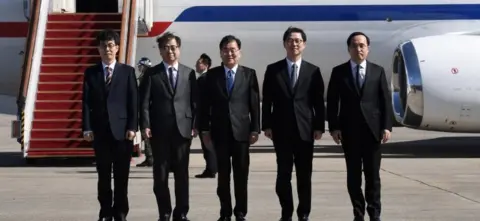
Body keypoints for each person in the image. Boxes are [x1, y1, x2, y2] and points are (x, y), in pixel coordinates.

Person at [326, 32, 393, 221]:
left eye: (362, 45)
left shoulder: (377, 71)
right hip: (349, 132)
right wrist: (334, 127)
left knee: (373, 176)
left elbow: (385, 101)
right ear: (349, 49)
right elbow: (332, 102)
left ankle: (375, 213)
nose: (359, 49)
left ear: (368, 48)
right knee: (353, 176)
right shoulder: (339, 72)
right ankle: (358, 212)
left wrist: (386, 126)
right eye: (355, 46)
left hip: (373, 132)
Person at [261, 27, 325, 221]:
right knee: (283, 177)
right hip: (281, 131)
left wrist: (319, 126)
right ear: (284, 44)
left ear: (304, 44)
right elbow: (267, 101)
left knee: (304, 177)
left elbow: (318, 102)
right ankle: (286, 212)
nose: (294, 43)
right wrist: (267, 125)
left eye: (298, 40)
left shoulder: (313, 71)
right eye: (290, 40)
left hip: (305, 132)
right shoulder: (273, 70)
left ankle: (304, 213)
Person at [199, 35, 260, 221]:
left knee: (241, 175)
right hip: (220, 132)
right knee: (223, 176)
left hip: (242, 133)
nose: (229, 53)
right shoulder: (212, 75)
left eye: (233, 49)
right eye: (225, 49)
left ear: (239, 53)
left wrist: (255, 129)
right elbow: (204, 106)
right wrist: (205, 130)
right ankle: (225, 212)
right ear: (220, 52)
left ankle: (240, 212)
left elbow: (254, 104)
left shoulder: (249, 74)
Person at [139, 32, 198, 221]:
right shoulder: (151, 74)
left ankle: (181, 213)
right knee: (161, 176)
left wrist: (195, 124)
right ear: (160, 50)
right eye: (166, 47)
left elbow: (194, 102)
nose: (170, 51)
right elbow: (144, 102)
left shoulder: (189, 73)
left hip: (183, 130)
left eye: (173, 47)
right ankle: (164, 212)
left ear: (179, 49)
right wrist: (145, 125)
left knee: (182, 175)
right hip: (159, 131)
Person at [82, 29, 138, 221]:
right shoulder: (91, 73)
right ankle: (105, 212)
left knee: (122, 177)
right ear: (98, 49)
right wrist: (87, 128)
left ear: (117, 48)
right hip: (100, 132)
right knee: (103, 177)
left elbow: (133, 102)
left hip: (123, 133)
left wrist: (132, 127)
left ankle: (121, 213)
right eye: (104, 45)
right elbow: (86, 102)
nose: (108, 49)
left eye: (111, 45)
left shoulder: (128, 72)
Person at [194, 53, 217, 179]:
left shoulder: (203, 80)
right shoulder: (210, 78)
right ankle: (212, 167)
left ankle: (211, 169)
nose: (197, 65)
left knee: (207, 145)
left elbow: (201, 102)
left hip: (205, 117)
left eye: (199, 63)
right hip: (208, 117)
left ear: (206, 65)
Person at [135, 57, 154, 167]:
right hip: (143, 110)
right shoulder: (144, 77)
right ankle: (149, 157)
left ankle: (151, 157)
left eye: (141, 66)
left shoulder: (147, 78)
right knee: (144, 134)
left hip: (147, 111)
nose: (139, 68)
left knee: (147, 134)